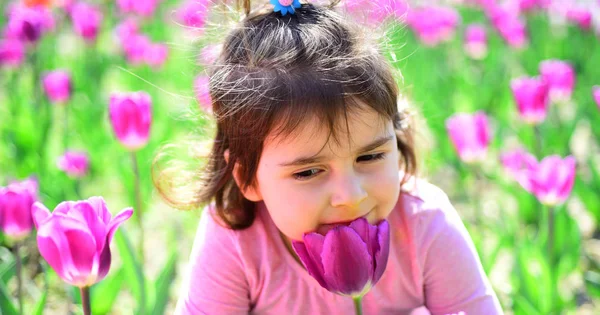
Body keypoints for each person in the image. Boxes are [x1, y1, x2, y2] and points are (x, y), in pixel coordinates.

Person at [160, 0, 504, 313]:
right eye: (308, 172)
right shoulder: (237, 238)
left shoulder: (424, 223)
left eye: (369, 158)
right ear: (248, 177)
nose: (351, 196)